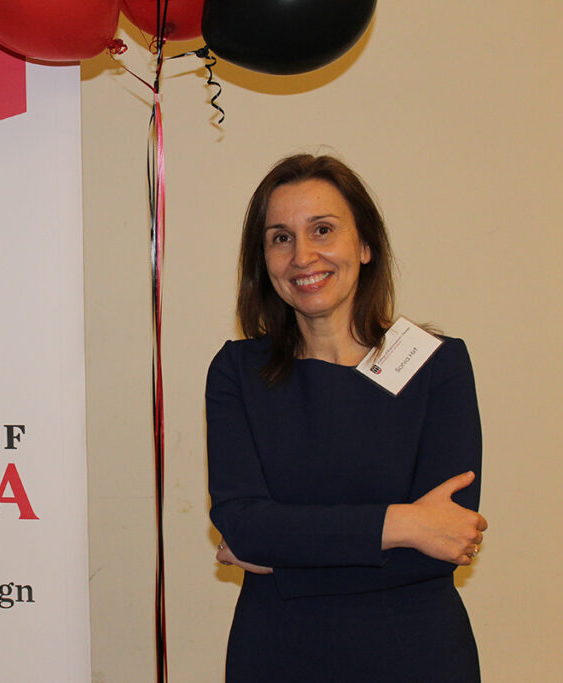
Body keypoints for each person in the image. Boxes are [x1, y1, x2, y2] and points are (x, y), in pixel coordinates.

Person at [206, 154, 486, 682]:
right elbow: (242, 524)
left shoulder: (436, 364)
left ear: (364, 245)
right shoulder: (237, 372)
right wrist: (400, 524)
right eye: (280, 237)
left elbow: (443, 546)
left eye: (323, 230)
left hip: (415, 654)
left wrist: (283, 558)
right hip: (277, 655)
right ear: (263, 260)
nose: (303, 255)